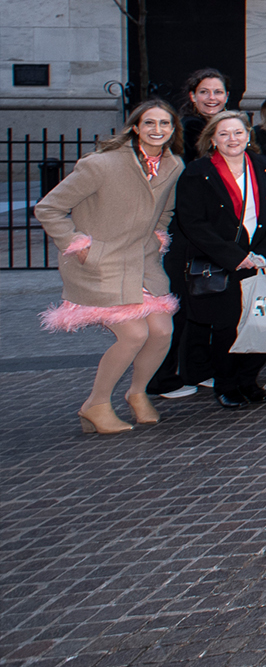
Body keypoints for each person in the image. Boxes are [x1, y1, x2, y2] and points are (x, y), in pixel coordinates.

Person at [35, 100, 185, 433]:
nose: (157, 130)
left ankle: (136, 393)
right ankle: (96, 403)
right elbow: (49, 208)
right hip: (102, 263)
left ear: (173, 130)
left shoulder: (173, 165)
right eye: (150, 123)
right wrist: (79, 245)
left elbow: (166, 209)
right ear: (136, 127)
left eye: (165, 124)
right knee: (134, 334)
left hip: (142, 263)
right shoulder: (102, 165)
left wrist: (157, 237)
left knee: (162, 332)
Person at [173, 112, 266, 408]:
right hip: (223, 263)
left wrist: (265, 254)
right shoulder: (197, 172)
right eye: (224, 134)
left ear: (248, 136)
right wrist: (237, 257)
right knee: (227, 327)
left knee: (263, 323)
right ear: (212, 138)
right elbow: (193, 223)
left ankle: (249, 380)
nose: (232, 139)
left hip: (262, 261)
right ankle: (226, 384)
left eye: (238, 133)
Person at [177, 68, 232, 161]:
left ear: (226, 97)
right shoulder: (190, 127)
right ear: (193, 96)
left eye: (218, 92)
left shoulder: (233, 123)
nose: (211, 97)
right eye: (204, 92)